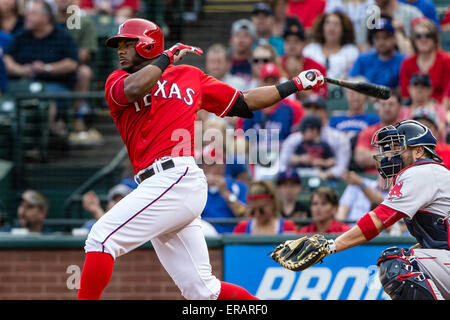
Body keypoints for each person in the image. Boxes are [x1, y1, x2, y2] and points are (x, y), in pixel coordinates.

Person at [76, 17, 325, 300]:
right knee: (204, 291)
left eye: (127, 44)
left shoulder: (188, 75)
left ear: (146, 46)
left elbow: (244, 101)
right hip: (157, 185)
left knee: (101, 238)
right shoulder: (117, 81)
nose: (120, 50)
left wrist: (293, 84)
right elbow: (135, 89)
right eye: (118, 45)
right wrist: (167, 57)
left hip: (176, 175)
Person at [279, 120, 450, 300]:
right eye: (390, 148)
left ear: (419, 151)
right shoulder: (432, 174)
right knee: (408, 267)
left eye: (398, 147)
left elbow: (378, 220)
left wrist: (329, 246)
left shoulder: (422, 172)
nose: (391, 155)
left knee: (398, 263)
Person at [3, 0, 79, 137]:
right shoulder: (22, 35)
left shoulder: (62, 36)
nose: (27, 17)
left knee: (45, 97)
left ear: (45, 17)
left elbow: (72, 63)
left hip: (54, 85)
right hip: (23, 84)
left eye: (32, 14)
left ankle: (41, 142)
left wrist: (47, 68)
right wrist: (20, 69)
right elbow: (7, 58)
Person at [280, 94, 352, 179]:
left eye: (317, 108)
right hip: (297, 182)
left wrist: (325, 172)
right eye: (308, 108)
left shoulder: (338, 137)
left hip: (329, 182)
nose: (312, 111)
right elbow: (282, 165)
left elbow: (342, 167)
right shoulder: (294, 139)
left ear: (325, 112)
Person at [55, 0, 99, 136]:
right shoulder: (47, 20)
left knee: (84, 72)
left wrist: (61, 64)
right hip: (46, 67)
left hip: (73, 69)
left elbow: (84, 54)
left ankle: (75, 116)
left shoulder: (84, 22)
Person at [399, 18, 450, 103]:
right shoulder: (407, 63)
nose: (423, 39)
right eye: (418, 36)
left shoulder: (446, 61)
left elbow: (448, 94)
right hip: (414, 111)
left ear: (435, 38)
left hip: (441, 109)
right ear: (414, 40)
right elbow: (405, 95)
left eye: (428, 35)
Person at [349, 15, 406, 89]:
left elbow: (404, 90)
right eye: (377, 37)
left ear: (394, 39)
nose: (381, 42)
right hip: (367, 99)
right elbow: (353, 87)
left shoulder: (403, 61)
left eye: (385, 37)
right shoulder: (362, 60)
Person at [354, 91, 403, 173]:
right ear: (378, 107)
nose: (387, 108)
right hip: (372, 179)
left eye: (391, 104)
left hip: (401, 177)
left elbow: (410, 156)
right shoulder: (368, 131)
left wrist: (375, 156)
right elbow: (360, 157)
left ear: (399, 107)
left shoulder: (406, 130)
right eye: (383, 104)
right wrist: (390, 155)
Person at [281, 16, 328, 99]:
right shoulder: (278, 64)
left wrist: (295, 77)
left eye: (296, 41)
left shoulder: (317, 68)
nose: (292, 45)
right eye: (288, 41)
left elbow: (318, 100)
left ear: (304, 44)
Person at [303, 11, 359, 79]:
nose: (331, 29)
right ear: (322, 28)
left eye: (336, 25)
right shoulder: (310, 49)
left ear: (343, 30)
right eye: (328, 23)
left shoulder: (351, 51)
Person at [233, 180, 297, 234]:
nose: (257, 214)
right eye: (253, 210)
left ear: (272, 203)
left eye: (261, 209)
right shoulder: (242, 228)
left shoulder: (287, 227)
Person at [329, 78, 380, 144]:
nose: (355, 97)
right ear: (346, 96)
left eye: (359, 93)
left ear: (365, 96)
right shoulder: (335, 119)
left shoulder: (374, 120)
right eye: (352, 93)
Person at [356, 0, 423, 50]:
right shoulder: (369, 17)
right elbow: (362, 46)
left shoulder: (412, 14)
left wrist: (401, 33)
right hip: (378, 64)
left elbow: (423, 44)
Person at [402, 73, 447, 139]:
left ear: (430, 89)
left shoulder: (440, 109)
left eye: (424, 86)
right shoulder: (402, 111)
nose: (419, 89)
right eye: (416, 85)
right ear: (409, 88)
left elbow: (444, 134)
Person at [229, 19, 255, 84]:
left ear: (252, 40)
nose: (241, 40)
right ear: (231, 39)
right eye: (237, 35)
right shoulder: (223, 61)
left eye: (245, 35)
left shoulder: (258, 61)